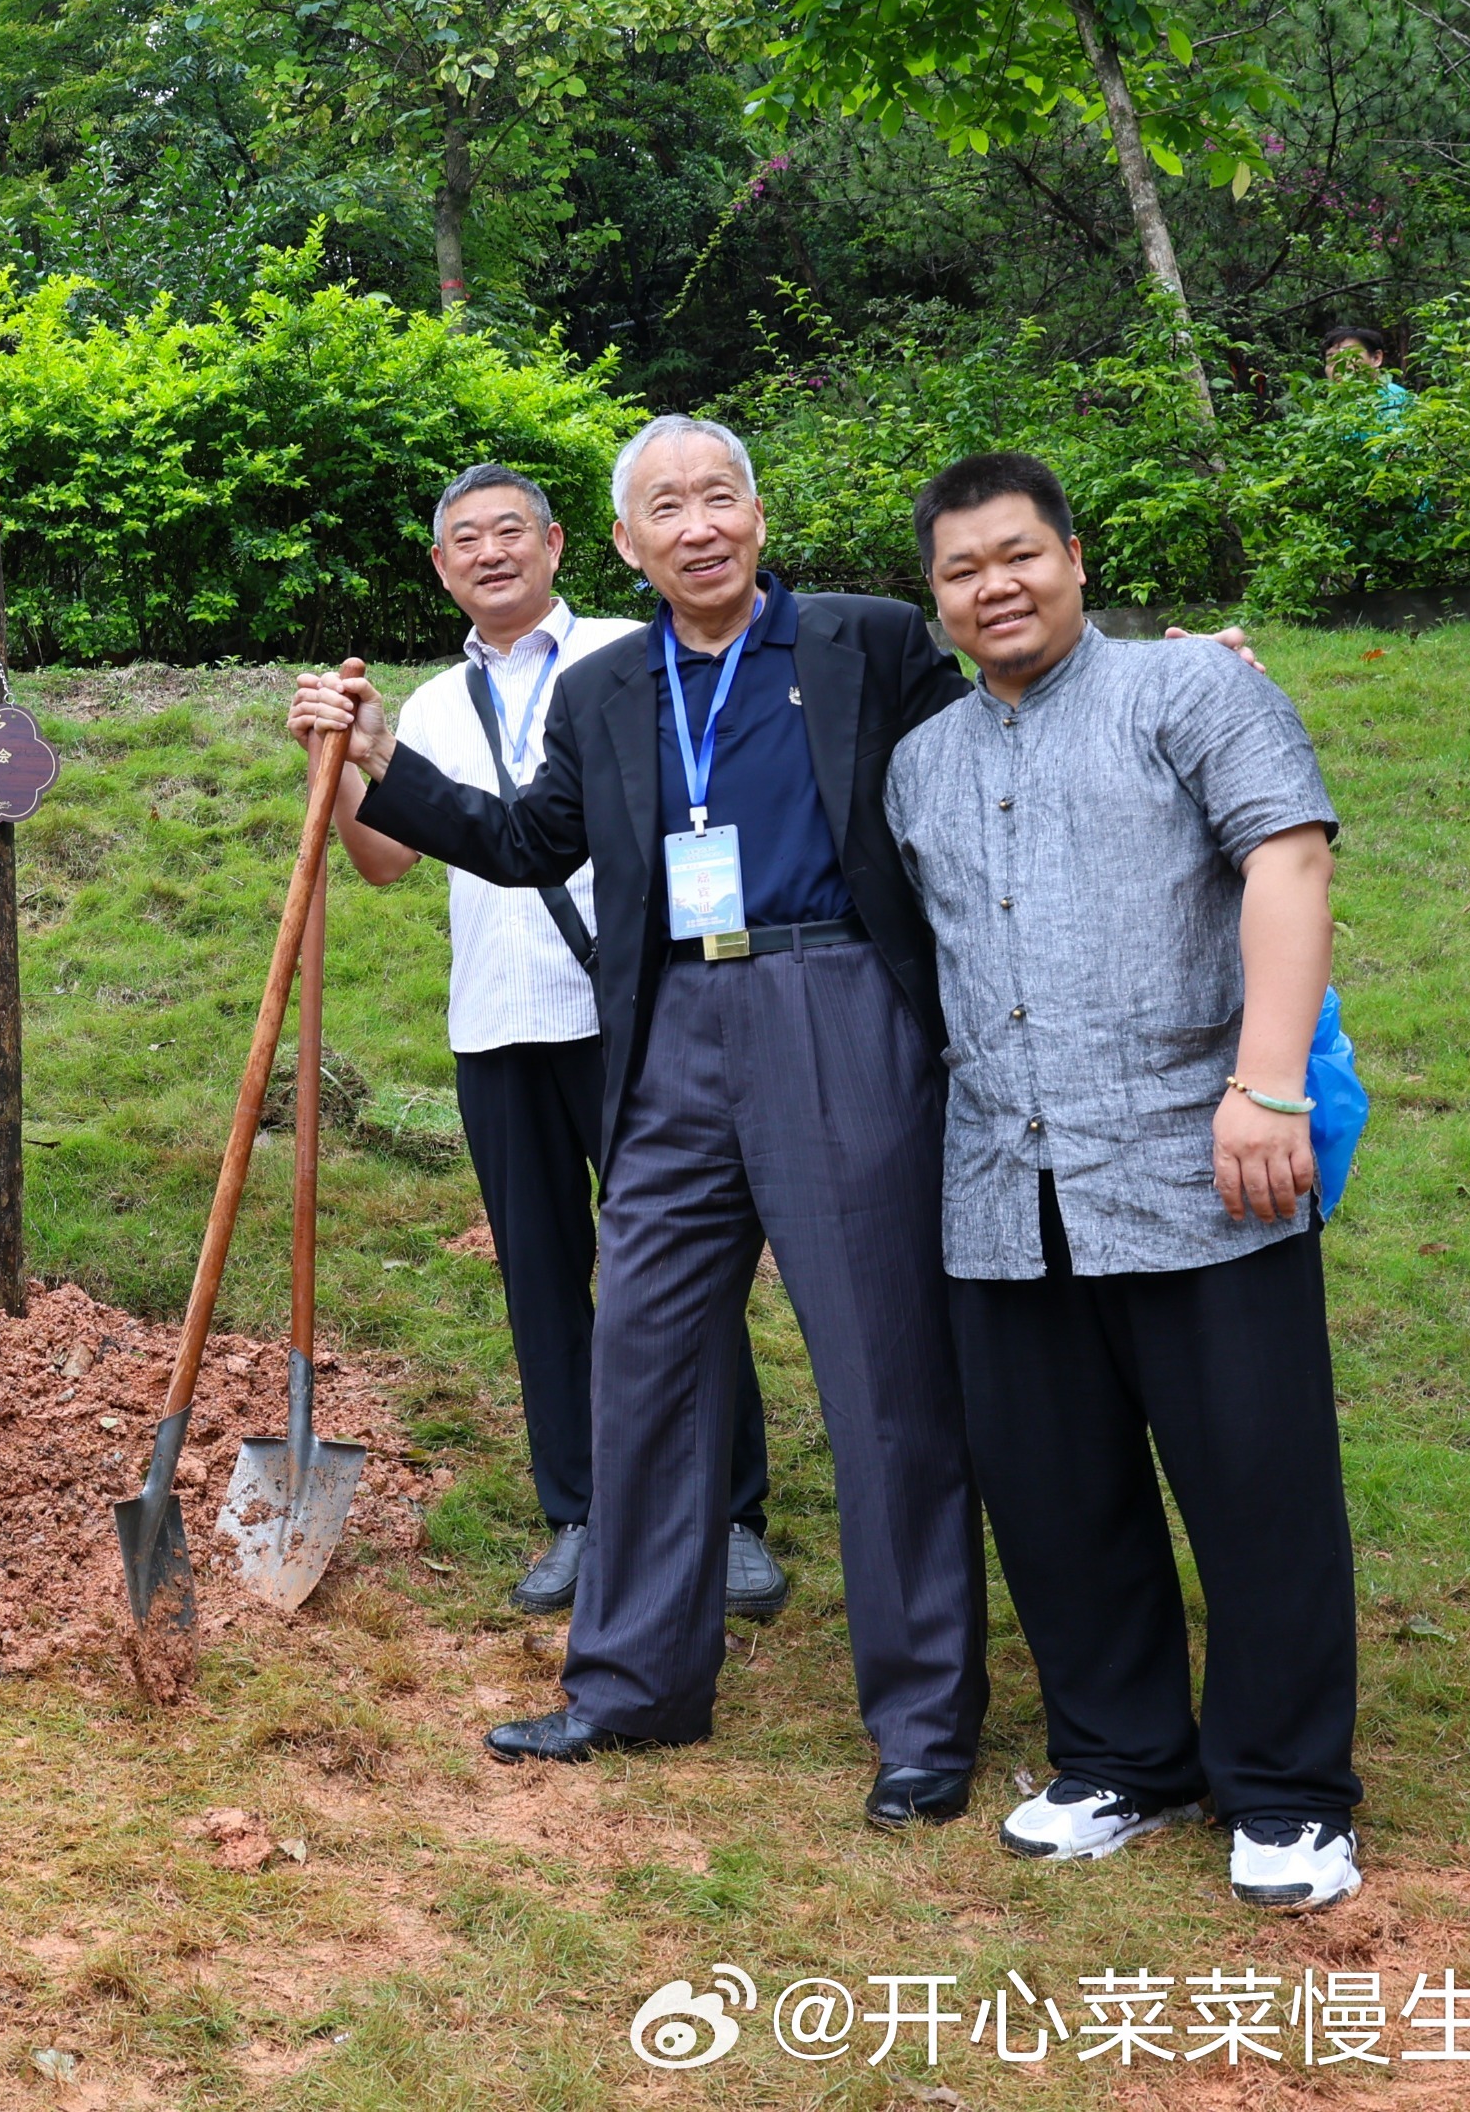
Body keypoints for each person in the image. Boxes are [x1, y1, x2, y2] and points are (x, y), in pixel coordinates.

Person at [286, 413, 991, 1828]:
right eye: (665, 507)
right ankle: (634, 1680)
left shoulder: (868, 642)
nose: (697, 524)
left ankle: (922, 1717)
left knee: (878, 1366)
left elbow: (988, 751)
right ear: (626, 543)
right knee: (645, 1349)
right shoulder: (612, 686)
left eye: (717, 495)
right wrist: (381, 757)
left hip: (833, 998)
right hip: (668, 1021)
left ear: (757, 512)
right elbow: (526, 841)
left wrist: (1161, 678)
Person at [889, 452, 1363, 1911]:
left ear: (1076, 557)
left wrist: (1266, 1077)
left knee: (1256, 1481)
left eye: (1020, 554)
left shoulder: (1189, 693)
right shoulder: (923, 760)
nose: (997, 585)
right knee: (1054, 1490)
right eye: (965, 569)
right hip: (1003, 1182)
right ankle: (1118, 1754)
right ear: (938, 598)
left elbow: (1287, 856)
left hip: (1201, 1157)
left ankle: (1287, 1789)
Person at [335, 463, 781, 1621]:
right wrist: (336, 767)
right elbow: (383, 863)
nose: (488, 553)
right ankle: (580, 1514)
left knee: (683, 1270)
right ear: (440, 568)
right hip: (495, 1026)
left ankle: (730, 1517)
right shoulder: (429, 705)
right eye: (463, 540)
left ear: (558, 543)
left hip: (637, 1019)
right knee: (542, 1281)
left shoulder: (638, 652)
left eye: (509, 532)